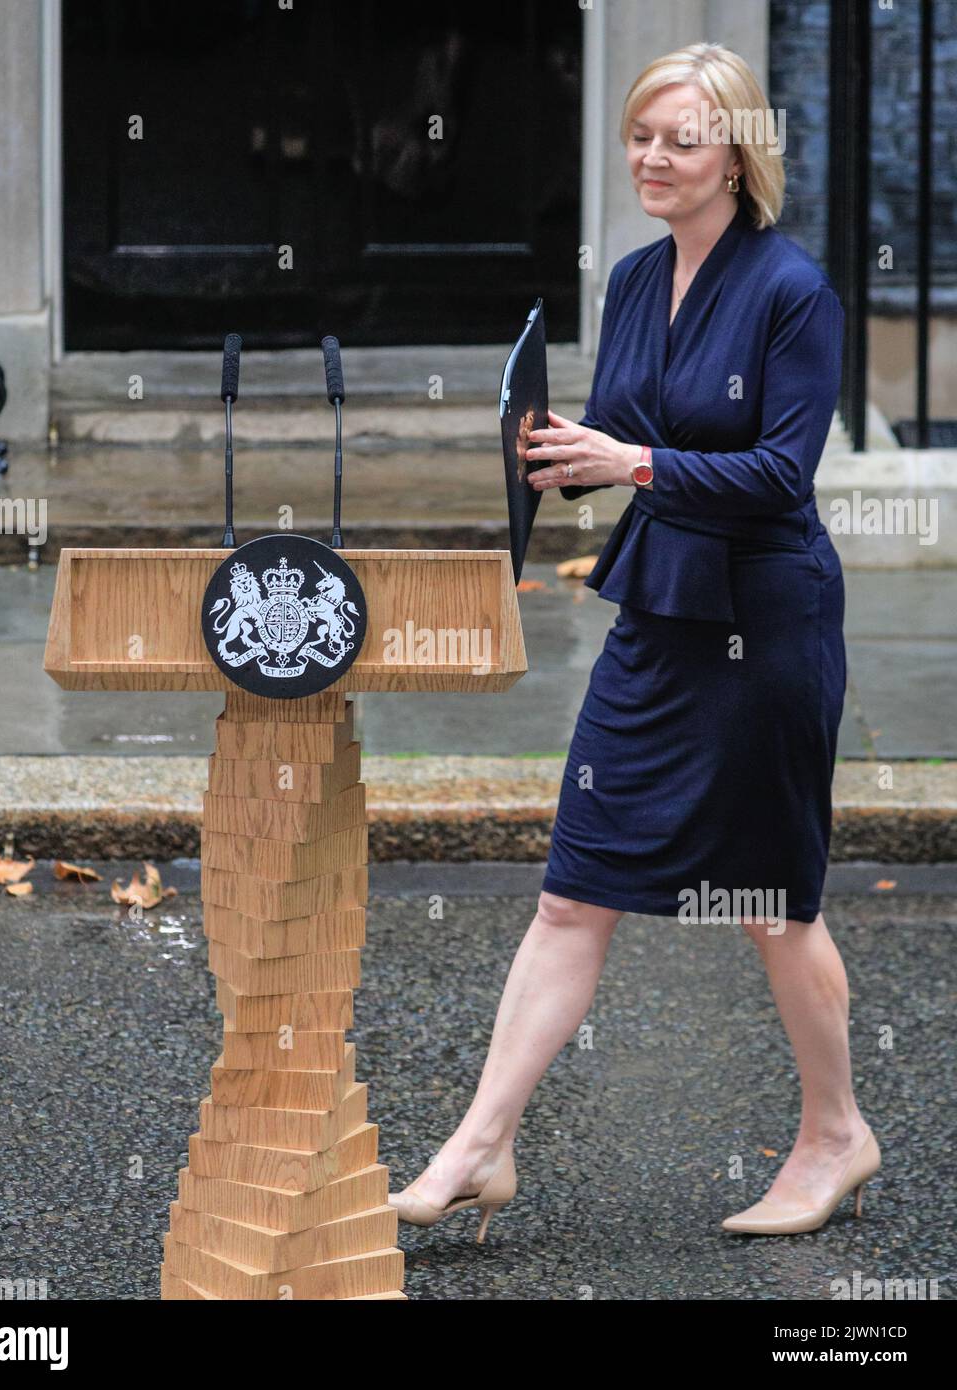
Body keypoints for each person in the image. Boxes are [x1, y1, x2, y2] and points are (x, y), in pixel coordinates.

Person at [388, 42, 879, 1242]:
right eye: (639, 136)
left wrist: (631, 461)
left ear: (736, 157)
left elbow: (776, 473)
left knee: (770, 902)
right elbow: (620, 431)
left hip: (764, 623)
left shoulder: (791, 291)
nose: (652, 159)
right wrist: (557, 451)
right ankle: (479, 1143)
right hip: (657, 616)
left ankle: (833, 1136)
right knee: (571, 893)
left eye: (681, 140)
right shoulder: (629, 277)